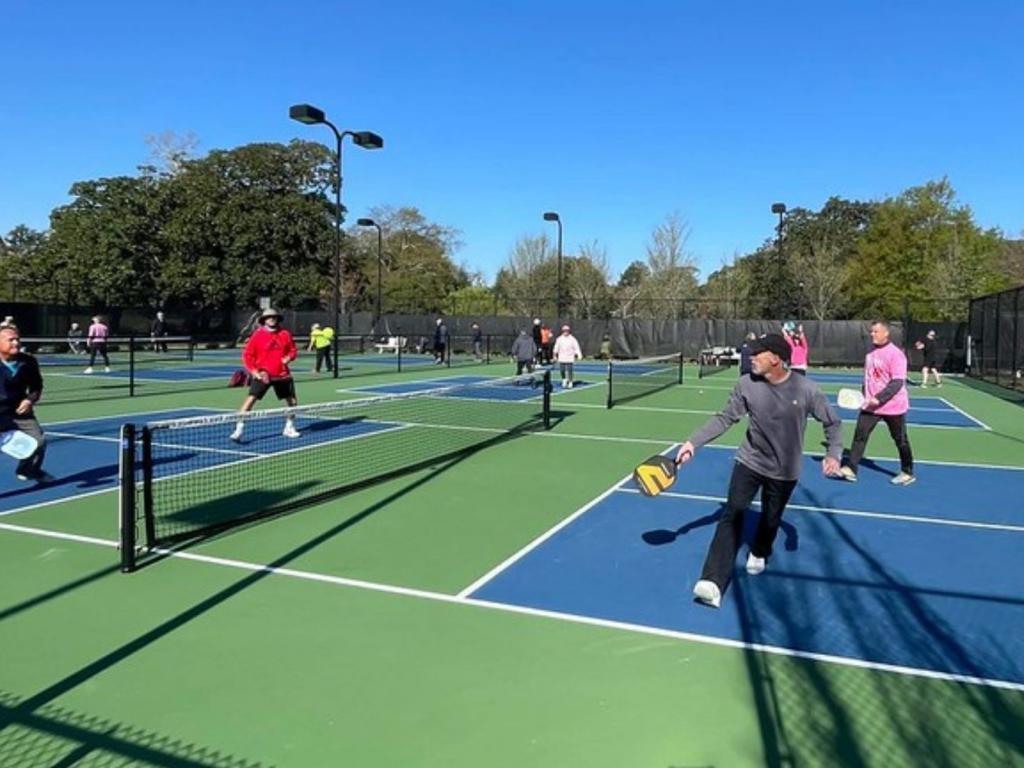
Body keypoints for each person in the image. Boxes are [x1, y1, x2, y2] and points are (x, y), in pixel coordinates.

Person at [677, 333, 842, 608]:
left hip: (785, 470)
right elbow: (725, 418)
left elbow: (833, 424)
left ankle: (761, 549)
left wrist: (833, 454)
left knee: (770, 519)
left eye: (757, 353)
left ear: (776, 358)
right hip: (749, 462)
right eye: (750, 353)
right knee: (732, 515)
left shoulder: (806, 389)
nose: (750, 357)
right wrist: (693, 442)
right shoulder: (746, 385)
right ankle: (712, 582)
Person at [838, 320, 915, 486]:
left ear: (886, 333)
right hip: (871, 406)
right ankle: (851, 468)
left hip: (893, 406)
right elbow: (869, 378)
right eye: (871, 331)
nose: (872, 334)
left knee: (900, 439)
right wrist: (865, 395)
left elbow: (897, 382)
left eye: (876, 332)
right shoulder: (870, 353)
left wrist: (879, 398)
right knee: (860, 436)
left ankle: (907, 472)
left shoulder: (896, 354)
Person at [230, 308, 300, 442]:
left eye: (274, 317)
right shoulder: (257, 335)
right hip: (263, 375)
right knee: (250, 401)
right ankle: (238, 429)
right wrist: (254, 372)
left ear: (277, 319)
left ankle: (289, 427)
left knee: (292, 402)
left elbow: (293, 350)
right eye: (269, 317)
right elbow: (247, 355)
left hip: (283, 375)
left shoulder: (285, 334)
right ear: (264, 320)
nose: (272, 319)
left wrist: (289, 358)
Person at [0, 325, 53, 483]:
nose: (16, 343)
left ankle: (29, 469)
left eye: (17, 339)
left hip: (19, 412)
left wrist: (30, 399)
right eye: (10, 340)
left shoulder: (28, 361)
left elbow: (36, 385)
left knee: (39, 441)